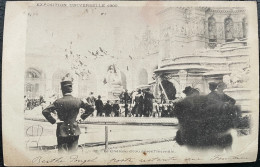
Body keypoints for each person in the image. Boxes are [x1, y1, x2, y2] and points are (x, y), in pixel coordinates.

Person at [42, 80, 94, 153]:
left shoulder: (58, 101)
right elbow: (91, 108)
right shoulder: (78, 101)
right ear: (71, 90)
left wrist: (54, 121)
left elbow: (45, 111)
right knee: (73, 154)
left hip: (62, 130)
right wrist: (82, 117)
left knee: (62, 155)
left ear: (62, 90)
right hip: (75, 130)